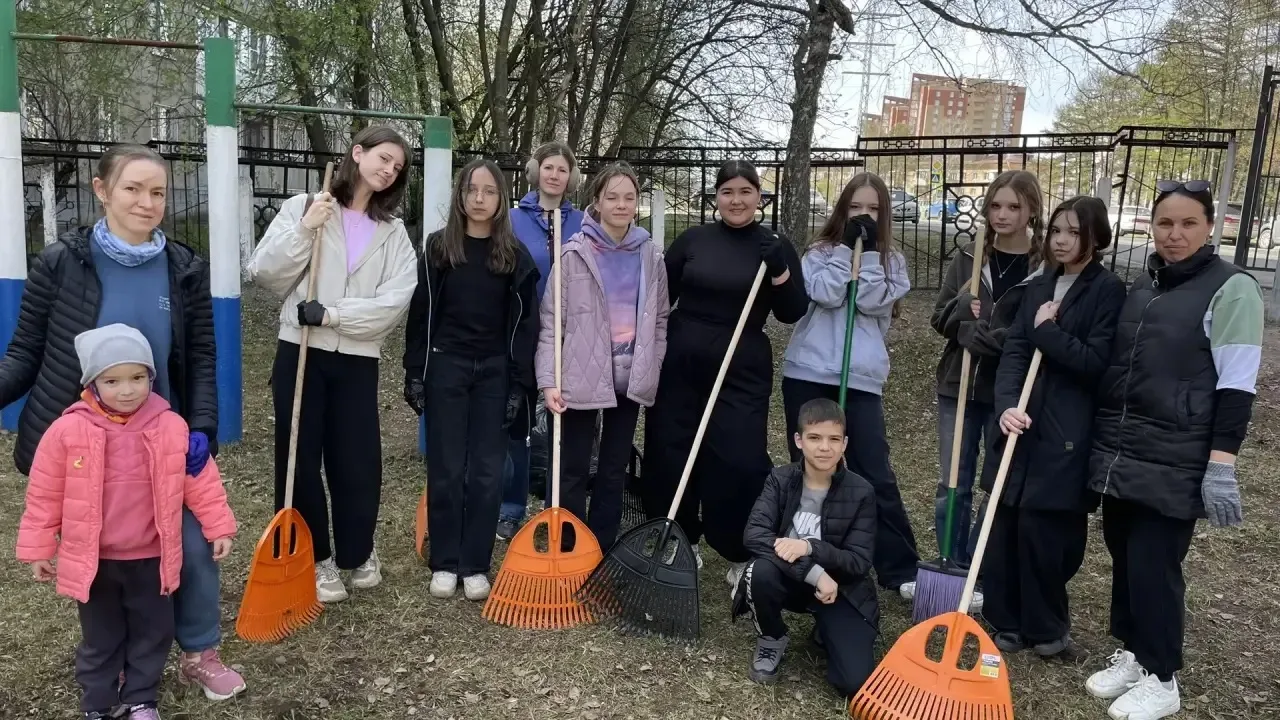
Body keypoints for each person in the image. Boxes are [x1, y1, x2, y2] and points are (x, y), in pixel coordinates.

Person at [0, 145, 246, 699]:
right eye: (132, 188)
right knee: (109, 559)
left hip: (163, 440)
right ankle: (114, 658)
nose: (146, 202)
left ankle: (200, 651)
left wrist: (202, 425)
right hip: (91, 447)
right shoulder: (62, 262)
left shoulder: (183, 268)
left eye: (157, 192)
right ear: (102, 190)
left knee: (194, 544)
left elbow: (201, 357)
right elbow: (25, 352)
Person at [1084, 180, 1262, 720]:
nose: (1175, 234)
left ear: (1210, 227)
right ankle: (1135, 654)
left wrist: (1222, 465)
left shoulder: (1232, 288)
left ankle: (1162, 678)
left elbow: (1237, 385)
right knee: (1123, 553)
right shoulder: (1145, 285)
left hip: (1178, 453)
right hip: (1124, 447)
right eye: (1165, 223)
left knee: (1154, 564)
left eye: (1188, 223)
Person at [16, 324, 238, 720]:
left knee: (153, 634)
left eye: (137, 377)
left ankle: (141, 699)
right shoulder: (67, 431)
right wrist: (38, 547)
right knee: (102, 638)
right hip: (96, 562)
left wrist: (218, 526)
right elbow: (44, 494)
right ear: (92, 384)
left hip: (152, 558)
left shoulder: (170, 426)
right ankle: (98, 704)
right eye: (112, 380)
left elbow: (200, 482)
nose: (127, 390)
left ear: (151, 378)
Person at [247, 125, 418, 603]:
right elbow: (263, 273)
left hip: (357, 359)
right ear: (357, 153)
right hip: (300, 350)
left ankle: (357, 551)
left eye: (398, 167)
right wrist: (306, 229)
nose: (389, 170)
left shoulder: (393, 233)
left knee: (357, 458)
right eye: (383, 158)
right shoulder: (306, 206)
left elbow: (393, 303)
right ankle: (315, 555)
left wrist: (333, 315)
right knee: (299, 456)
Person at [640, 159, 808, 588]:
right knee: (672, 449)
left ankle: (738, 547)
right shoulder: (694, 240)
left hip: (741, 365)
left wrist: (780, 271)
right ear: (715, 197)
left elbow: (792, 312)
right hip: (681, 362)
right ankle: (679, 536)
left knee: (740, 458)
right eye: (727, 192)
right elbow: (661, 296)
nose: (736, 200)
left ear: (759, 197)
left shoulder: (775, 246)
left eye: (745, 192)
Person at [983, 195, 1126, 659]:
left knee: (1047, 534)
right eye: (1056, 231)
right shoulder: (1039, 283)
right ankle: (1006, 620)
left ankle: (1046, 628)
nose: (1061, 241)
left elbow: (1094, 361)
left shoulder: (1107, 290)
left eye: (1074, 232)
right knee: (1006, 525)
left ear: (1095, 238)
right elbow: (1015, 352)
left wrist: (1048, 331)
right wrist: (1006, 406)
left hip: (1065, 429)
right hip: (1021, 424)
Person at [403, 158, 539, 601]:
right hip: (448, 367)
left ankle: (475, 563)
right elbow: (421, 313)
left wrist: (519, 384)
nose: (479, 199)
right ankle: (445, 560)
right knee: (446, 467)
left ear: (501, 199)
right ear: (460, 195)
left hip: (495, 372)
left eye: (489, 191)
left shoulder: (515, 257)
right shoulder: (439, 249)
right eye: (471, 190)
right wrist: (415, 370)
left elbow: (526, 326)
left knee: (486, 471)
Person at [780, 172, 918, 594]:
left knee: (874, 470)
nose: (864, 215)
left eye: (873, 209)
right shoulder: (819, 253)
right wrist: (844, 250)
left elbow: (870, 301)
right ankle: (806, 555)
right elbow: (825, 293)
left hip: (859, 378)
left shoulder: (892, 262)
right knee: (812, 467)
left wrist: (869, 255)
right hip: (809, 372)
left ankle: (900, 569)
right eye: (856, 207)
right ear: (843, 209)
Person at [922, 169, 1044, 600]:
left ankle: (978, 563)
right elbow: (939, 317)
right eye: (995, 205)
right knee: (953, 480)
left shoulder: (1043, 266)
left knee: (996, 481)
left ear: (1032, 210)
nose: (1002, 215)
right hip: (960, 384)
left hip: (1008, 391)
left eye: (1013, 206)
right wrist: (961, 320)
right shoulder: (970, 258)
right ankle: (950, 562)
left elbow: (1044, 328)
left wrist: (1007, 340)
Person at [537, 162, 668, 550]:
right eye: (612, 197)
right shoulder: (574, 255)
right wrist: (549, 380)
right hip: (580, 375)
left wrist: (653, 363)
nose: (621, 205)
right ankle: (569, 545)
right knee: (574, 467)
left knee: (613, 468)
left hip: (629, 378)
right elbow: (552, 323)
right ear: (596, 201)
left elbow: (660, 319)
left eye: (629, 197)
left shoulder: (651, 256)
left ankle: (601, 546)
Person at [734, 398, 878, 699]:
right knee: (759, 571)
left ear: (844, 443)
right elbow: (755, 535)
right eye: (814, 438)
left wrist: (810, 547)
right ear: (799, 440)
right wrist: (814, 573)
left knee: (854, 684)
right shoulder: (781, 479)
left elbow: (858, 562)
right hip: (791, 577)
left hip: (839, 588)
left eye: (834, 439)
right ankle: (772, 638)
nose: (824, 448)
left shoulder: (862, 492)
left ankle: (827, 630)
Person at [499, 141, 586, 540]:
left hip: (567, 336)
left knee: (562, 424)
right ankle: (510, 507)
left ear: (572, 177)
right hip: (521, 331)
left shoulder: (583, 222)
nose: (555, 175)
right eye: (548, 167)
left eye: (562, 169)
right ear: (536, 171)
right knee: (515, 422)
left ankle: (557, 507)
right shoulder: (513, 220)